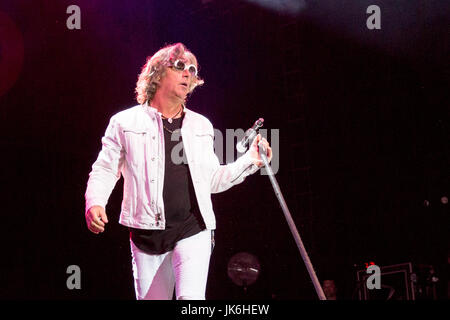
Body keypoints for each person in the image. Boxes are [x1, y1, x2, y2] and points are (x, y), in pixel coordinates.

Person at [84, 43, 272, 300]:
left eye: (192, 70)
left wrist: (251, 160)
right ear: (158, 73)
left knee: (191, 301)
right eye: (180, 66)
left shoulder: (200, 125)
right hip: (146, 235)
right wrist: (95, 203)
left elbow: (212, 180)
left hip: (193, 228)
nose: (188, 73)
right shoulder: (124, 123)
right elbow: (105, 169)